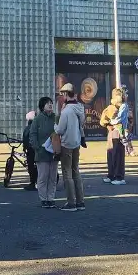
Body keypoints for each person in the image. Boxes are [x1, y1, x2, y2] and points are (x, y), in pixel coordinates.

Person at [54, 83, 86, 212]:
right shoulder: (80, 107)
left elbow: (60, 130)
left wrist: (55, 126)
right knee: (75, 172)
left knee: (67, 174)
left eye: (63, 94)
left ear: (66, 94)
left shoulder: (66, 111)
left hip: (66, 144)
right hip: (77, 143)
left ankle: (71, 203)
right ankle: (80, 202)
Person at [28, 97, 58, 208]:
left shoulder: (56, 118)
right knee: (43, 177)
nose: (50, 105)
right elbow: (33, 134)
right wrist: (37, 147)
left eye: (51, 103)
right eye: (47, 104)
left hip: (54, 152)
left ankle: (51, 198)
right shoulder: (37, 119)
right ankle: (43, 199)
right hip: (42, 152)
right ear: (42, 106)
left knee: (53, 177)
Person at [99, 89, 128, 185]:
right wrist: (108, 125)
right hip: (112, 132)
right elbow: (103, 119)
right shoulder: (110, 107)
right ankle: (111, 175)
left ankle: (119, 177)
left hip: (119, 131)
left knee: (118, 154)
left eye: (118, 95)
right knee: (111, 153)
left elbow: (126, 120)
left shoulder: (124, 106)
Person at [14, 110, 39, 191]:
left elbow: (25, 139)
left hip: (30, 149)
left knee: (31, 166)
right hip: (37, 149)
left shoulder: (28, 128)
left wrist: (24, 148)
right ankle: (38, 182)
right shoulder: (39, 126)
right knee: (38, 165)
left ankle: (32, 183)